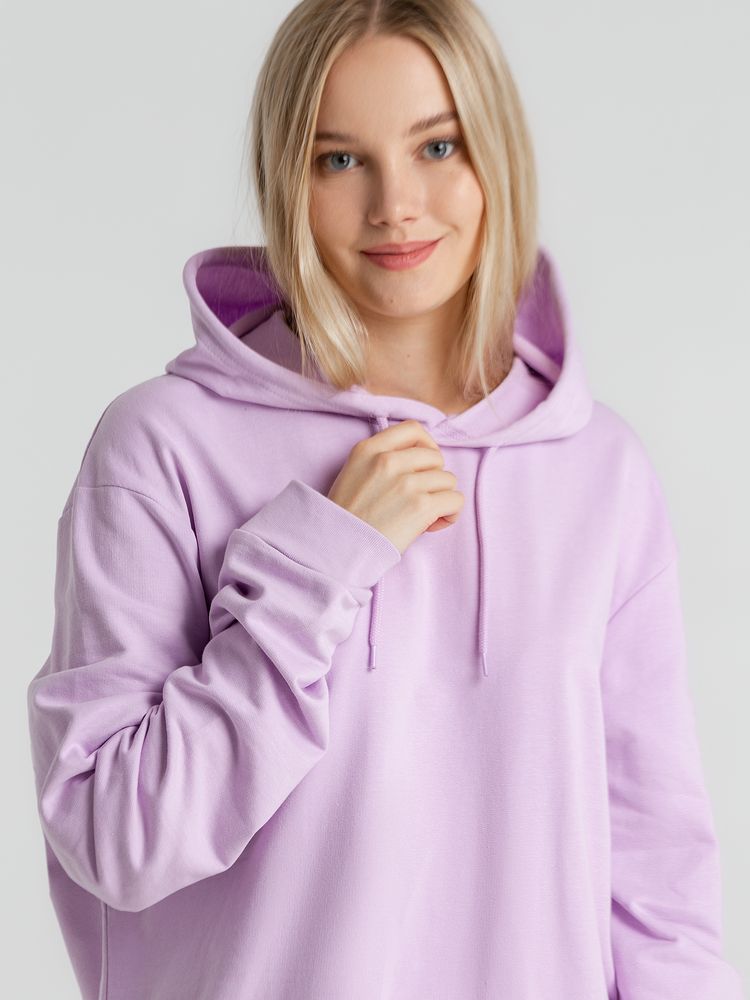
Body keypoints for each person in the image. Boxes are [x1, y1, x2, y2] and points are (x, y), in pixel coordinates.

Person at [26, 2, 745, 999]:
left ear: (495, 152)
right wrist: (314, 565)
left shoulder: (599, 471)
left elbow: (659, 893)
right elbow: (117, 840)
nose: (395, 205)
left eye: (437, 146)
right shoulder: (162, 447)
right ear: (288, 180)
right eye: (340, 160)